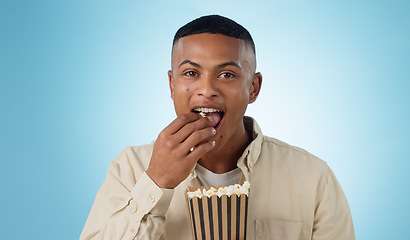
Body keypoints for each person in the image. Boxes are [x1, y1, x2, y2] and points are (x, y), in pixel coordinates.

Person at [80, 15, 355, 240]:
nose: (207, 89)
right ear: (172, 85)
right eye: (191, 73)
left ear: (253, 88)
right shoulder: (129, 169)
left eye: (226, 75)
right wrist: (156, 183)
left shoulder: (313, 177)